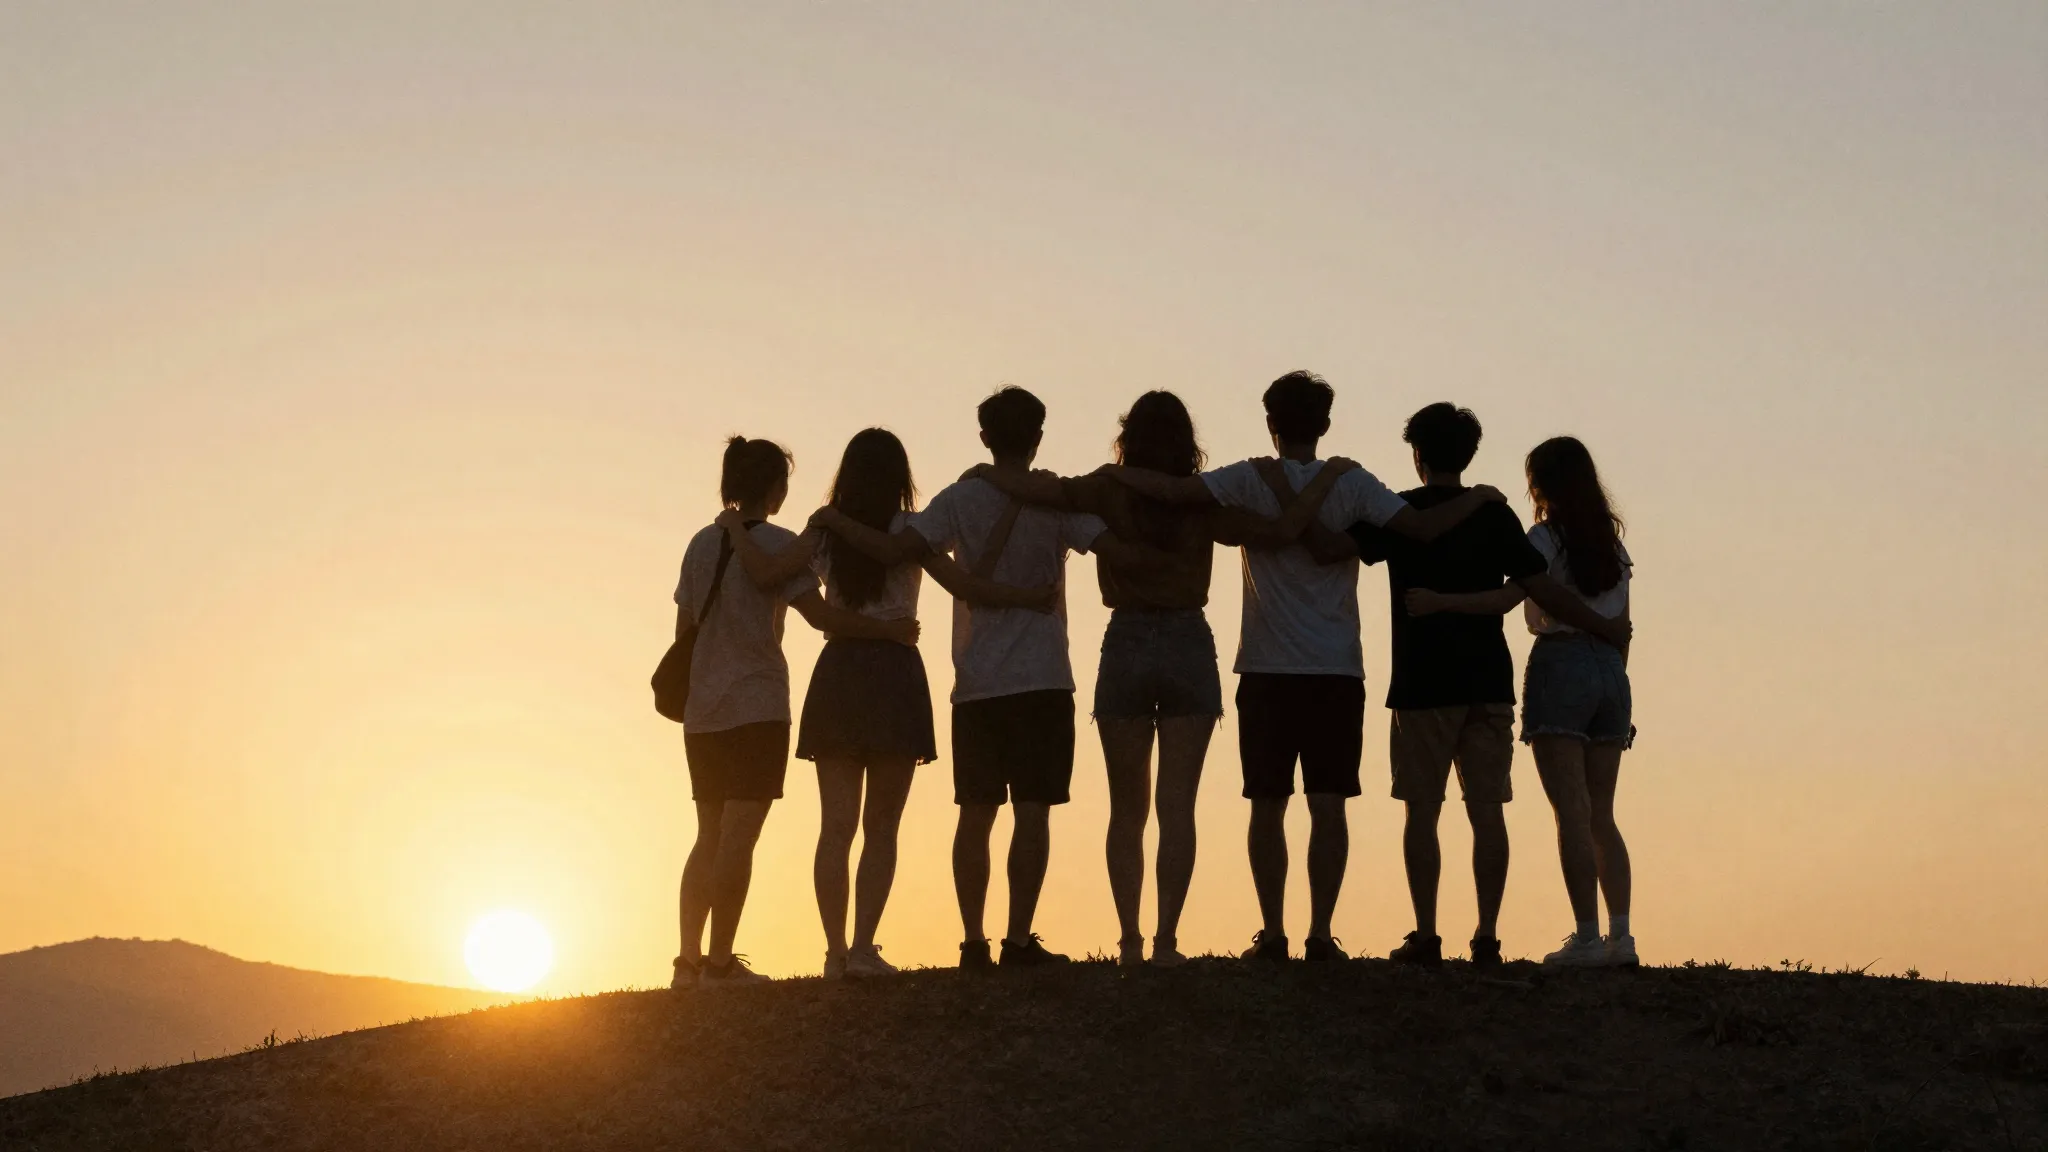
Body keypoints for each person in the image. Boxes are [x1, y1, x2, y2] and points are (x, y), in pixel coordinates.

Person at [1101, 371, 1506, 962]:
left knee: (1267, 805)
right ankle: (1319, 932)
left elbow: (1171, 491)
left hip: (1266, 666)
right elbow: (1421, 528)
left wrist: (1111, 474)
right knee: (1328, 805)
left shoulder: (1247, 477)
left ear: (1271, 422)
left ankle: (1273, 932)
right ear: (1326, 424)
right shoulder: (1351, 481)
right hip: (1336, 668)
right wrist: (1479, 497)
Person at [966, 391, 1351, 968]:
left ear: (1129, 437)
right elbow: (1278, 531)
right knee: (1177, 807)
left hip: (1125, 639)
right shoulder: (1203, 498)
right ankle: (1167, 940)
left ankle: (1129, 941)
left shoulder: (1107, 487)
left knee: (1127, 809)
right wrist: (1325, 481)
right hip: (1187, 639)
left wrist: (986, 471)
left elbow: (1043, 491)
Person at [820, 386, 1114, 969]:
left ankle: (973, 940)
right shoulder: (1054, 498)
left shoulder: (957, 500)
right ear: (1037, 436)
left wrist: (831, 518)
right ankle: (1018, 938)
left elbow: (896, 551)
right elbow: (1103, 539)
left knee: (974, 813)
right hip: (1044, 676)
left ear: (984, 436)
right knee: (1033, 811)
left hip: (976, 679)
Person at [1342, 405, 1631, 970]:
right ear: (1469, 453)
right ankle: (1488, 935)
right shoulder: (1498, 516)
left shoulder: (1398, 512)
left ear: (1418, 455)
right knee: (1490, 811)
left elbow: (1343, 545)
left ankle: (1428, 933)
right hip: (1489, 680)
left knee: (1421, 811)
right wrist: (1608, 634)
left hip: (1423, 680)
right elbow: (1531, 586)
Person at [670, 436, 920, 990]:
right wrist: (889, 630)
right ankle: (720, 964)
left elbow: (684, 627)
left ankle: (688, 963)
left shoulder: (700, 543)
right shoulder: (782, 543)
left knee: (708, 834)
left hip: (702, 708)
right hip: (756, 704)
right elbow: (822, 618)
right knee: (739, 837)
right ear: (774, 488)